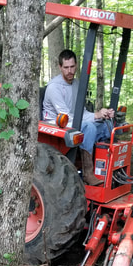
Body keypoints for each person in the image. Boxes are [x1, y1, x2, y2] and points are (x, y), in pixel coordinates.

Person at [43, 49, 114, 185]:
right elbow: (67, 117)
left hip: (72, 121)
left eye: (72, 67)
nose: (70, 71)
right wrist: (95, 116)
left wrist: (101, 115)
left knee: (106, 126)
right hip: (55, 124)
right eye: (66, 67)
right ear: (60, 67)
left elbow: (82, 112)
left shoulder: (76, 84)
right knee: (89, 127)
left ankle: (107, 170)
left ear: (76, 65)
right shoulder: (54, 88)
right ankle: (88, 173)